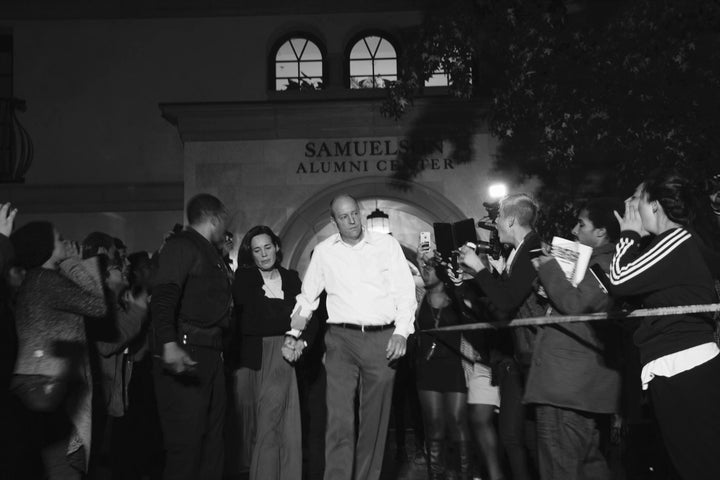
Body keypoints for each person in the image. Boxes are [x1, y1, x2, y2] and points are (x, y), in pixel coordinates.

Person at [290, 194, 417, 480]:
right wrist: (293, 332)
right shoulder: (324, 252)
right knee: (339, 419)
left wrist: (401, 333)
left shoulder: (387, 245)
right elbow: (307, 298)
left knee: (374, 421)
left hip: (381, 339)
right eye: (343, 217)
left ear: (360, 213)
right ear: (334, 221)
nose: (351, 221)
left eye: (354, 214)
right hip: (341, 339)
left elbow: (405, 293)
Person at [609, 171, 720, 480]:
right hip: (674, 366)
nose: (629, 205)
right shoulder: (666, 245)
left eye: (636, 199)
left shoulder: (676, 238)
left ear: (655, 206)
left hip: (686, 367)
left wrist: (628, 235)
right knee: (690, 463)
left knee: (701, 464)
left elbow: (619, 279)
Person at [527, 198, 623, 480]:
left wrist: (549, 268)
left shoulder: (604, 263)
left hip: (569, 389)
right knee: (588, 465)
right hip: (572, 387)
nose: (573, 229)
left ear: (601, 232)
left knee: (562, 468)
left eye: (581, 224)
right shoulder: (593, 261)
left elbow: (577, 307)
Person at [455, 193, 545, 480]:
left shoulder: (533, 251)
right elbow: (498, 302)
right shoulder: (518, 252)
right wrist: (468, 278)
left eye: (497, 220)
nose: (494, 225)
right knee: (512, 436)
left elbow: (506, 302)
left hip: (538, 356)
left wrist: (481, 269)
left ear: (510, 220)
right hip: (520, 358)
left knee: (531, 439)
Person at [10, 221, 108, 479]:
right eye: (59, 239)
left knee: (53, 463)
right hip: (52, 386)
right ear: (45, 248)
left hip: (39, 382)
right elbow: (97, 304)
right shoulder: (47, 280)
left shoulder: (35, 281)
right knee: (64, 464)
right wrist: (75, 262)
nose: (66, 242)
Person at [151, 193, 233, 480]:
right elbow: (163, 296)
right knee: (186, 447)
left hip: (210, 354)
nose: (226, 228)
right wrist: (168, 344)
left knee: (213, 442)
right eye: (225, 220)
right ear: (215, 219)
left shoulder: (209, 252)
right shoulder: (182, 246)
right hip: (185, 351)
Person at [231, 225, 316, 480]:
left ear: (277, 248)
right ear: (251, 254)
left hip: (284, 354)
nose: (264, 254)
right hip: (253, 360)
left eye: (268, 247)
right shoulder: (245, 278)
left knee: (275, 423)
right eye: (257, 250)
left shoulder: (291, 278)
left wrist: (300, 337)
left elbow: (311, 317)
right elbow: (253, 321)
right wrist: (291, 316)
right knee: (257, 428)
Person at [414, 248, 472, 480]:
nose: (426, 272)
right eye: (424, 269)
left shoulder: (456, 298)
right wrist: (420, 262)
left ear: (442, 272)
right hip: (428, 370)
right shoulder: (420, 298)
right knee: (435, 426)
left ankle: (463, 473)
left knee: (458, 422)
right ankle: (437, 475)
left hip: (454, 368)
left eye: (430, 268)